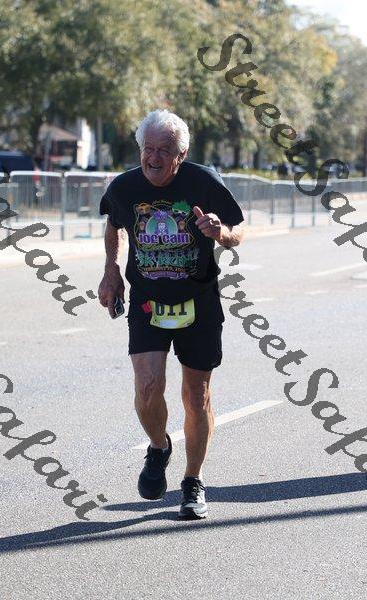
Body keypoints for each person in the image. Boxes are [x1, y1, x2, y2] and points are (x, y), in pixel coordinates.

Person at [98, 109, 244, 519]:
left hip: (199, 301)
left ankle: (193, 480)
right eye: (148, 148)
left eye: (164, 150)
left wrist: (221, 233)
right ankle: (159, 446)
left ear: (180, 155)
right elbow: (114, 225)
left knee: (196, 396)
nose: (154, 157)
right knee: (147, 388)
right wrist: (111, 270)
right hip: (147, 302)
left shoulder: (204, 182)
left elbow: (238, 229)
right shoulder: (124, 187)